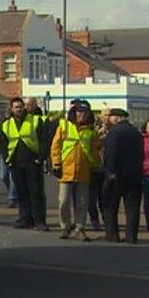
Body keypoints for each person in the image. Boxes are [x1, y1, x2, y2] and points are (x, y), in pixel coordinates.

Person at [50, 100, 100, 241]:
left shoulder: (91, 131)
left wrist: (97, 166)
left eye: (85, 112)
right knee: (63, 201)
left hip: (84, 171)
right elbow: (56, 146)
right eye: (79, 112)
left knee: (82, 203)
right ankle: (65, 227)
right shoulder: (64, 126)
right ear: (74, 112)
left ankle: (80, 228)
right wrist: (56, 164)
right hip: (66, 170)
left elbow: (95, 150)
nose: (82, 115)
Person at [0, 98, 48, 231]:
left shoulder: (35, 120)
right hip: (15, 163)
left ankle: (39, 221)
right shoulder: (6, 124)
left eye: (20, 107)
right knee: (22, 193)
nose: (19, 109)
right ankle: (25, 219)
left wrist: (41, 157)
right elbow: (3, 144)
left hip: (33, 162)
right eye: (16, 107)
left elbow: (44, 139)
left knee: (36, 192)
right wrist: (7, 160)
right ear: (11, 109)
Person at [102, 108, 145, 244]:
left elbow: (111, 154)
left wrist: (109, 172)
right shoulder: (136, 132)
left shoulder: (114, 132)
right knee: (132, 208)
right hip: (134, 174)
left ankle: (112, 235)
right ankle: (131, 237)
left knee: (110, 206)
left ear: (117, 118)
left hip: (116, 175)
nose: (108, 119)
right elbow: (141, 154)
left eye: (111, 117)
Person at [88, 116, 109, 231]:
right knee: (91, 198)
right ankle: (94, 220)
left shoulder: (109, 136)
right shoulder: (90, 134)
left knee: (104, 198)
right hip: (92, 170)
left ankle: (106, 219)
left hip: (103, 170)